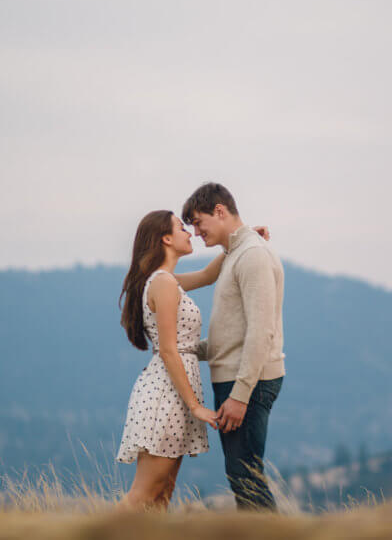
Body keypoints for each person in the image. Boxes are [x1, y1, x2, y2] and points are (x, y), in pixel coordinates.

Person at [115, 209, 269, 510]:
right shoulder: (162, 282)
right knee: (146, 493)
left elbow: (208, 275)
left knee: (161, 497)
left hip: (176, 392)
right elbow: (170, 350)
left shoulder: (167, 280)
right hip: (166, 395)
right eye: (181, 228)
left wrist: (242, 238)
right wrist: (196, 407)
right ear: (167, 238)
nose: (190, 233)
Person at [182, 182, 285, 511]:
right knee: (241, 475)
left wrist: (240, 395)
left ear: (220, 211)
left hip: (248, 382)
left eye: (199, 222)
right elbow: (231, 335)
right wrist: (182, 350)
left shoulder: (252, 255)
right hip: (238, 377)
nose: (197, 232)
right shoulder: (237, 253)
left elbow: (260, 331)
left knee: (245, 477)